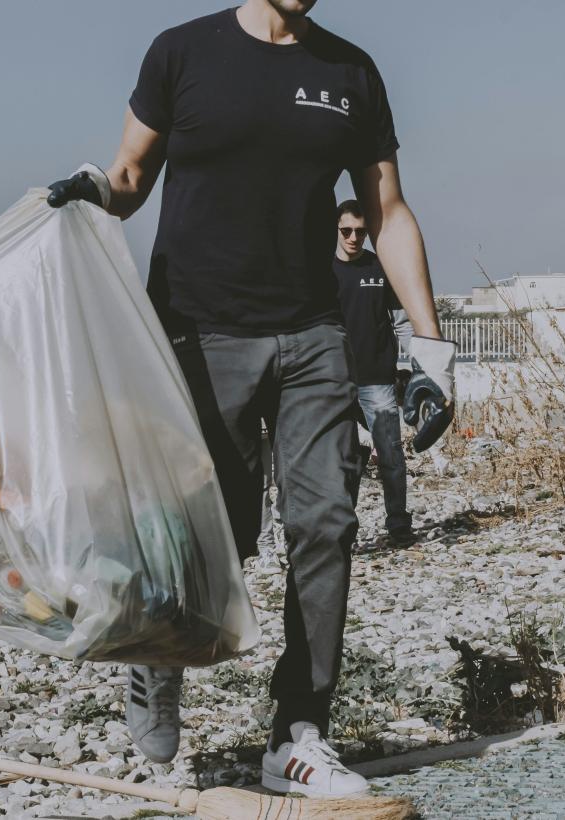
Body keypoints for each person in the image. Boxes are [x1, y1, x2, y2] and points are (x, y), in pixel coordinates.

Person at [46, 0, 455, 798]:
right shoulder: (182, 53)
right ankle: (160, 660)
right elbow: (130, 176)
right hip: (201, 333)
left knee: (327, 526)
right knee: (215, 534)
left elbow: (387, 211)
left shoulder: (350, 72)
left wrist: (433, 348)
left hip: (314, 335)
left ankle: (298, 733)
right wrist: (92, 187)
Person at [333, 200, 417, 546]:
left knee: (391, 455)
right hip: (334, 383)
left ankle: (398, 524)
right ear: (336, 230)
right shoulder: (320, 271)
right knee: (343, 460)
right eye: (346, 231)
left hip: (377, 380)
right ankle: (345, 532)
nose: (354, 238)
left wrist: (412, 368)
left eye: (361, 232)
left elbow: (402, 323)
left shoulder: (380, 268)